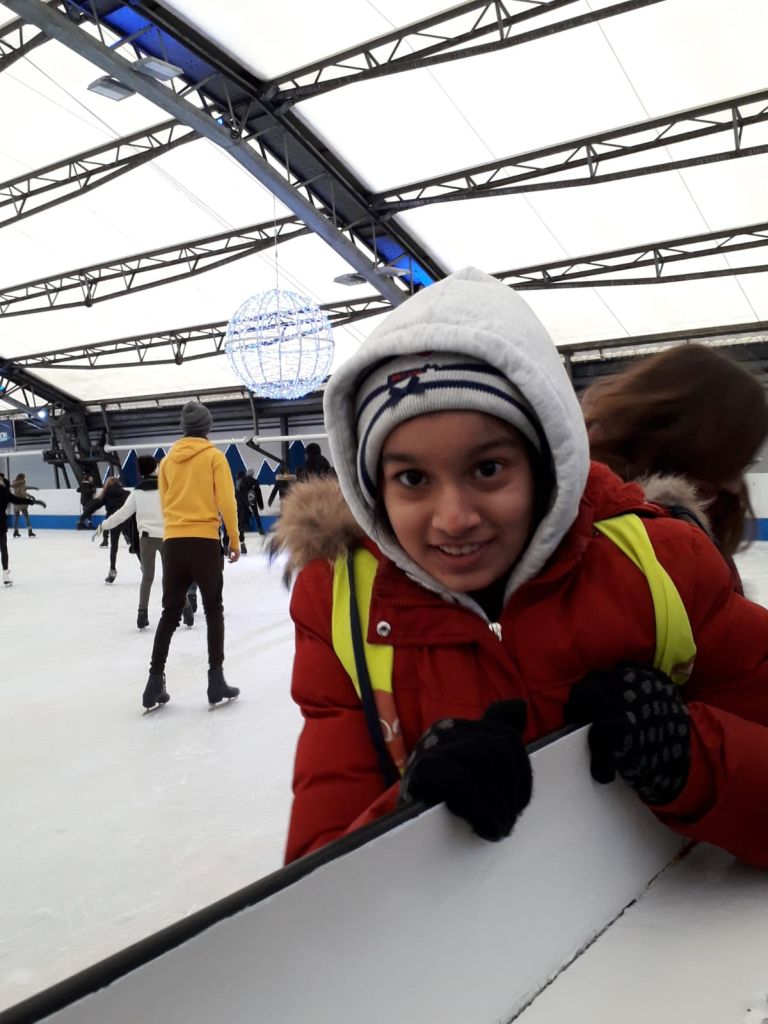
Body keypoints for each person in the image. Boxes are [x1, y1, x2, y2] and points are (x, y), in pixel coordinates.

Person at [271, 266, 768, 869]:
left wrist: (689, 756)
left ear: (543, 462)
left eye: (487, 469)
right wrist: (409, 815)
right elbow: (317, 876)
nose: (454, 518)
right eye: (412, 478)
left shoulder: (663, 567)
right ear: (373, 485)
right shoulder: (341, 604)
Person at [582, 344, 768, 593]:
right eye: (728, 461)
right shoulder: (592, 529)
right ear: (683, 439)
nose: (735, 487)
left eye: (743, 465)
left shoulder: (709, 518)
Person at [143, 401, 241, 710]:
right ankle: (216, 680)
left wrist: (175, 527)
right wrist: (234, 537)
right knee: (213, 609)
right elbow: (227, 500)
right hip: (204, 542)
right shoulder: (214, 457)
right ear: (207, 427)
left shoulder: (167, 462)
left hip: (173, 542)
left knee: (170, 612)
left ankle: (154, 683)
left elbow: (164, 501)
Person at [97, 455, 164, 630]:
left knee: (147, 578)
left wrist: (104, 525)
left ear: (140, 471)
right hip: (167, 538)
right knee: (172, 577)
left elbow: (121, 515)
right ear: (155, 468)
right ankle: (185, 610)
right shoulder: (166, 489)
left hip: (146, 539)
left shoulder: (136, 492)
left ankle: (142, 615)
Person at [86, 476, 134, 583]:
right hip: (126, 521)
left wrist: (96, 531)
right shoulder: (127, 494)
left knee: (114, 548)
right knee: (136, 546)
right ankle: (144, 567)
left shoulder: (106, 495)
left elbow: (102, 518)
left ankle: (112, 570)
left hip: (113, 521)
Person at [1, 475, 45, 584]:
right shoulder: (2, 490)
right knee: (3, 549)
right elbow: (15, 500)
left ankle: (6, 575)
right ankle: (6, 576)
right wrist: (29, 501)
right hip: (0, 524)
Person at [11, 473, 39, 537]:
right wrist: (30, 496)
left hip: (15, 502)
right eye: (24, 477)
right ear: (22, 477)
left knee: (16, 518)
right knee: (26, 517)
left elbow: (24, 488)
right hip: (22, 502)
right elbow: (22, 492)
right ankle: (30, 532)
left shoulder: (15, 483)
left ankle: (15, 532)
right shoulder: (22, 483)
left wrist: (33, 488)